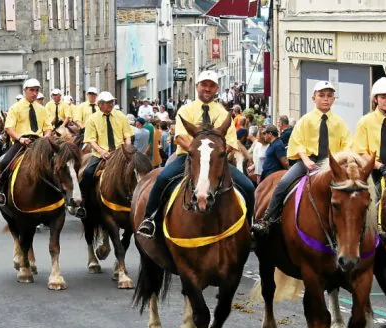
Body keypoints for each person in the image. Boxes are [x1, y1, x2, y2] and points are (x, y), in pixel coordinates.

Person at [137, 70, 255, 238]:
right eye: (204, 85)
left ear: (217, 89)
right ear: (197, 86)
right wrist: (198, 152)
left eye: (211, 86)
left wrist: (214, 154)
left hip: (216, 160)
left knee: (248, 186)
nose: (207, 89)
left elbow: (230, 142)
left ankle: (250, 226)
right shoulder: (185, 110)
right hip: (187, 157)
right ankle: (150, 219)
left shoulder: (223, 113)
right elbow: (179, 137)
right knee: (162, 179)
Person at [254, 81, 352, 234]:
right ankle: (267, 219)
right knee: (283, 183)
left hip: (332, 166)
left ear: (333, 99)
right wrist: (306, 160)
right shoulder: (305, 120)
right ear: (314, 98)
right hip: (308, 162)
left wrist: (342, 163)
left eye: (329, 96)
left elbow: (347, 144)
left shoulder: (339, 123)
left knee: (354, 191)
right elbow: (297, 142)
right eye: (321, 95)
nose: (325, 99)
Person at [0, 79, 53, 206]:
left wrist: (46, 137)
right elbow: (9, 128)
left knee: (58, 163)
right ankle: (0, 191)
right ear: (25, 90)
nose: (35, 93)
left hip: (39, 143)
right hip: (22, 142)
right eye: (32, 90)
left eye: (37, 90)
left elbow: (48, 127)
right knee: (4, 162)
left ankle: (61, 194)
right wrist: (20, 139)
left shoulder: (42, 109)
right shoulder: (15, 108)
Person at [79, 91, 133, 200]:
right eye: (108, 102)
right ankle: (84, 200)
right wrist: (102, 152)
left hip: (120, 152)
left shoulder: (121, 116)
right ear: (100, 105)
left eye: (112, 102)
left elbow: (127, 135)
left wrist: (127, 148)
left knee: (137, 170)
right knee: (87, 173)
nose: (111, 104)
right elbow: (91, 140)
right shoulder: (92, 119)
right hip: (100, 154)